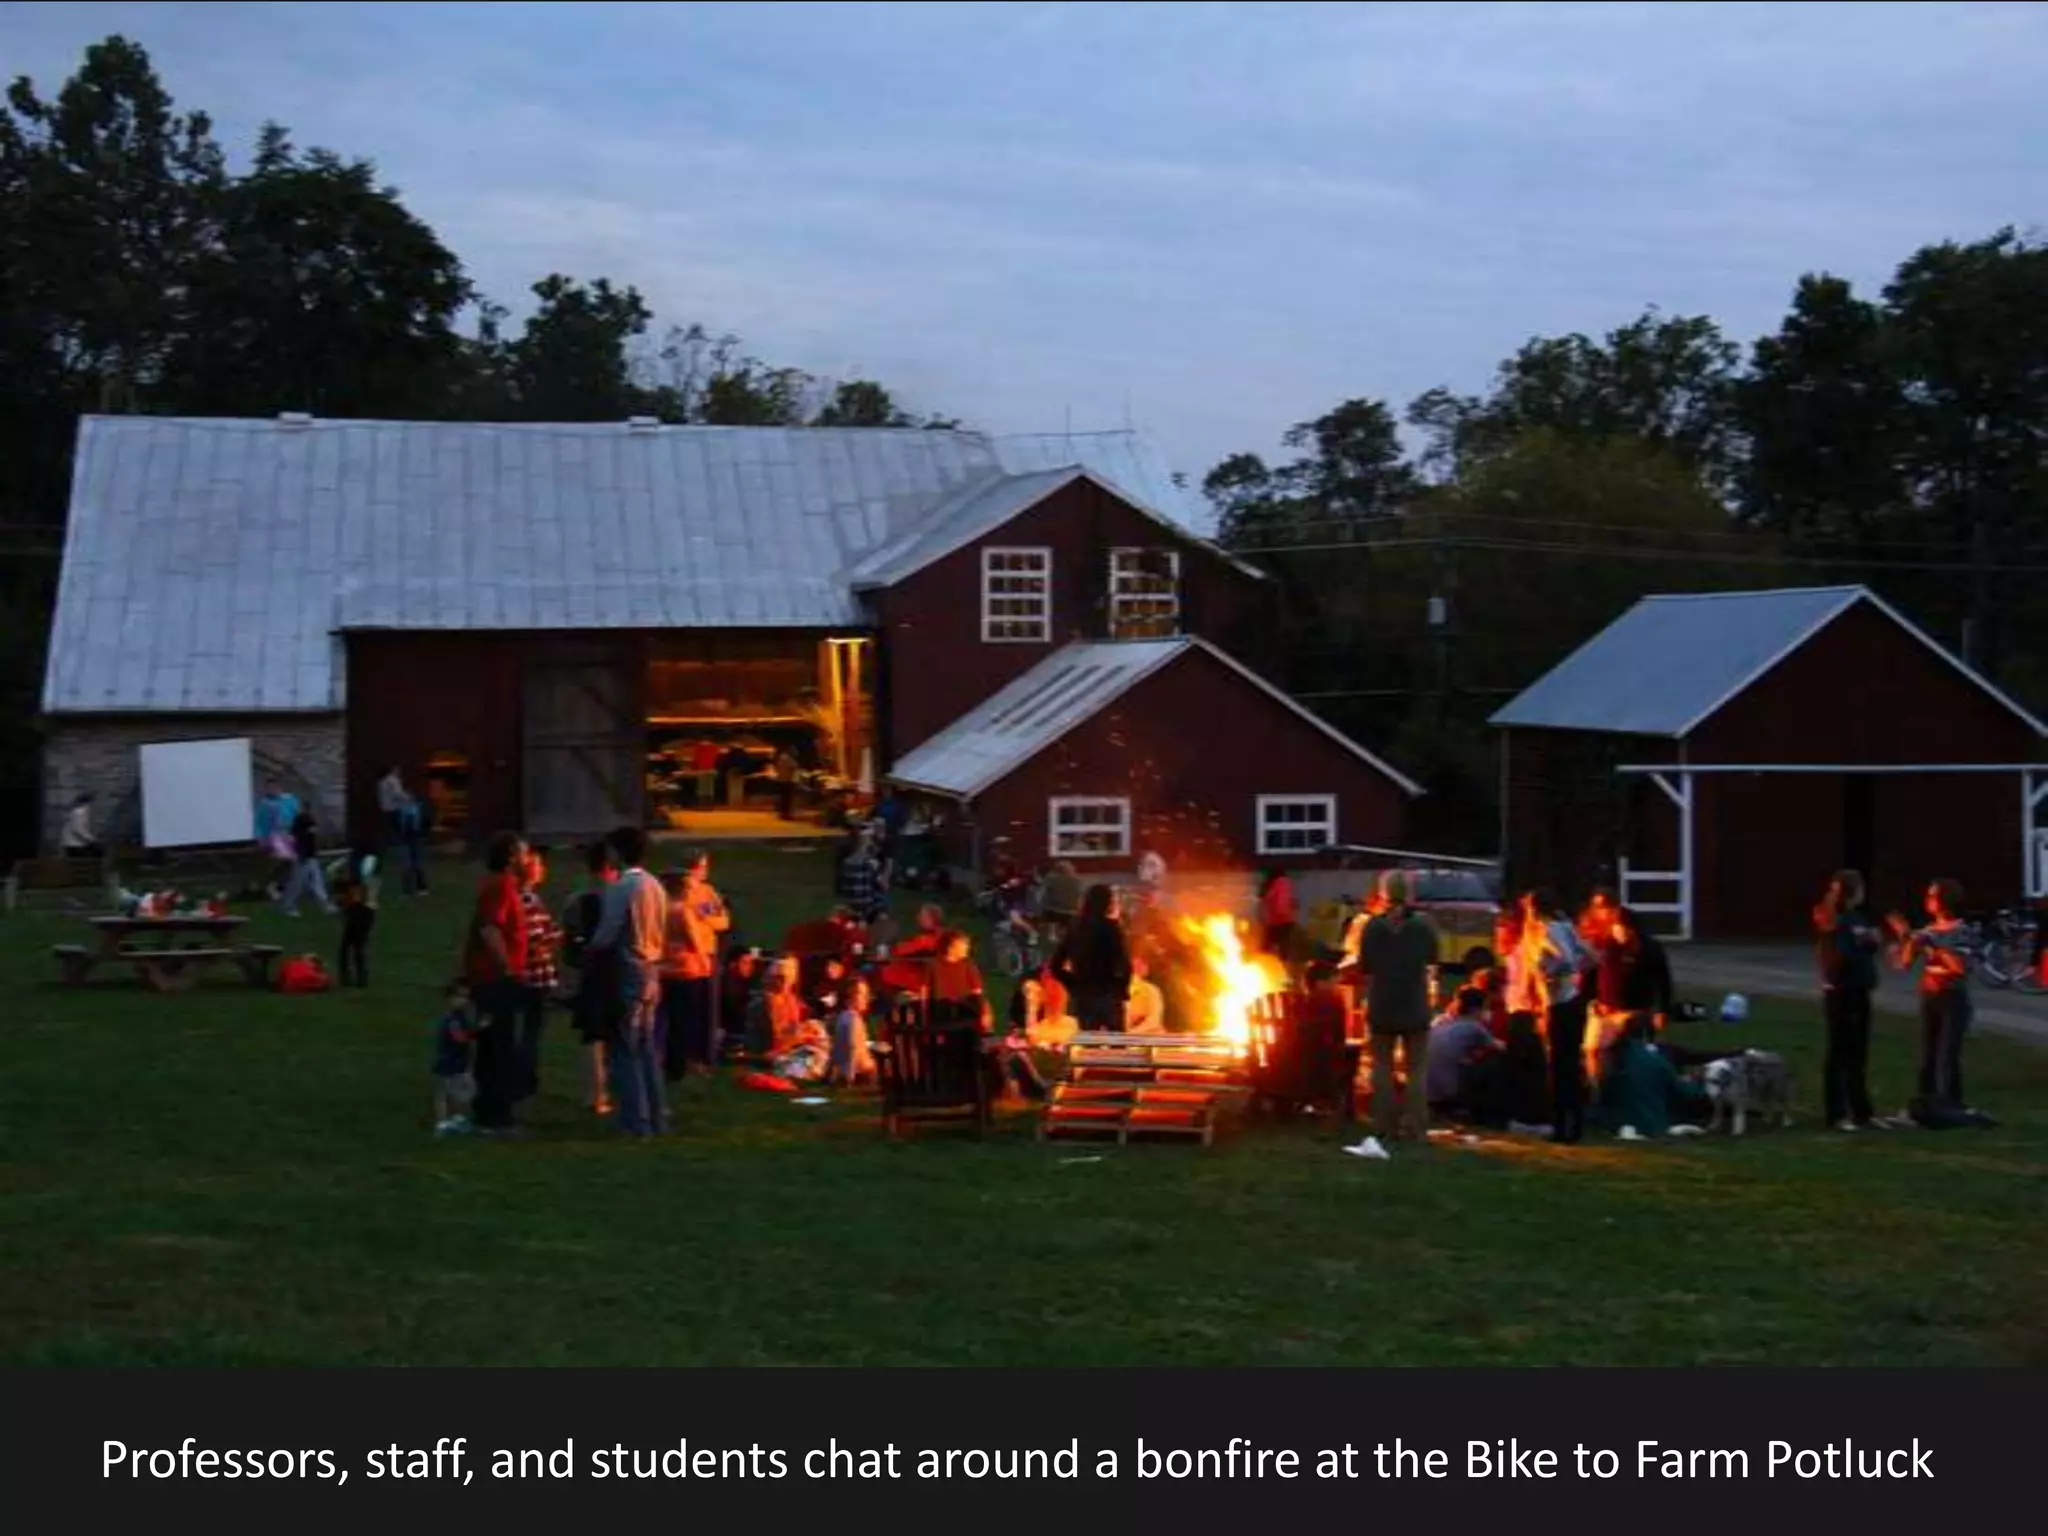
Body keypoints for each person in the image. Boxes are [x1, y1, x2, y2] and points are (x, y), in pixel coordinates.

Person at [1887, 877, 1994, 1128]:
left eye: (1932, 896)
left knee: (1948, 1055)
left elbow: (1960, 967)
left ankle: (1950, 1106)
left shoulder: (1962, 931)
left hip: (1952, 997)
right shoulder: (1928, 931)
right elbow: (1903, 964)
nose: (1928, 900)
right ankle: (1925, 1106)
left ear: (1946, 900)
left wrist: (1934, 945)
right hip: (1930, 995)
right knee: (1927, 1054)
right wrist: (1906, 938)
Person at [588, 826, 670, 1137]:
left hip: (629, 967)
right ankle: (656, 1113)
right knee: (647, 1045)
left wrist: (588, 949)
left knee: (625, 1045)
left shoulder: (622, 887)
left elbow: (607, 932)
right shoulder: (655, 885)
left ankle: (635, 1120)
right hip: (653, 967)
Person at [463, 832, 532, 1136]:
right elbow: (490, 929)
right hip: (495, 979)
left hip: (490, 978)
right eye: (524, 854)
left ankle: (486, 1112)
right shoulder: (502, 887)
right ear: (511, 857)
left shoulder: (500, 885)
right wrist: (508, 968)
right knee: (499, 1047)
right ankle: (497, 1117)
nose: (528, 859)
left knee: (492, 1045)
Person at [1363, 887, 1439, 1142]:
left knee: (1382, 1066)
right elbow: (1433, 959)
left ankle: (1384, 1125)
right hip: (1414, 1004)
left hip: (1382, 1004)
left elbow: (1365, 965)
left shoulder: (1373, 928)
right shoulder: (1423, 927)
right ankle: (1416, 1127)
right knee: (1416, 1069)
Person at [1814, 869, 1887, 1132]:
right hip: (1842, 991)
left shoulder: (1857, 917)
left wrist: (1871, 940)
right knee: (1840, 1052)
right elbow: (1841, 953)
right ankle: (1836, 1113)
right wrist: (1865, 942)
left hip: (1859, 990)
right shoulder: (1834, 919)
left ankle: (1862, 1112)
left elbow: (1869, 944)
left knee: (1858, 1053)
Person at [1520, 889, 1591, 1144]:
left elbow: (1568, 959)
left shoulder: (1548, 931)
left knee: (1560, 1066)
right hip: (1572, 1001)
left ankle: (1562, 1125)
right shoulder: (1566, 926)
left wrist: (1552, 974)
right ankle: (1575, 1122)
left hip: (1560, 1004)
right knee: (1570, 1064)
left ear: (1534, 909)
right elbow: (1588, 954)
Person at [561, 840, 621, 1116]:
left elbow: (568, 944)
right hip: (617, 973)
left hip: (590, 974)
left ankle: (594, 1093)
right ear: (609, 868)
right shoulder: (619, 898)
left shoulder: (576, 901)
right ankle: (614, 1089)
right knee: (617, 1035)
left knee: (592, 1035)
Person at [660, 850, 731, 1081]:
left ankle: (700, 1056)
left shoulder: (705, 893)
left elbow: (722, 921)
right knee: (681, 1013)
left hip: (700, 956)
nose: (704, 872)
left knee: (704, 1010)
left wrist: (704, 918)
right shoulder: (673, 899)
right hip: (688, 961)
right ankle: (679, 1059)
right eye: (701, 867)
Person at [1051, 883, 1133, 1032]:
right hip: (1109, 994)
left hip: (1084, 995)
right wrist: (1122, 988)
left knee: (1089, 1040)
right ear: (1107, 903)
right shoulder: (1111, 928)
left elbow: (1055, 965)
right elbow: (1124, 963)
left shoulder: (1075, 929)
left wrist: (1072, 984)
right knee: (1116, 1042)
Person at [516, 847, 563, 1103]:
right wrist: (557, 937)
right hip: (533, 974)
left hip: (531, 974)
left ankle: (523, 1077)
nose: (543, 869)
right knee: (530, 1031)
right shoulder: (526, 899)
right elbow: (535, 938)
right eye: (538, 864)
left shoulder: (530, 897)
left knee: (529, 1029)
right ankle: (525, 1080)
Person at [1424, 987, 1502, 1122]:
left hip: (1427, 1090)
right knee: (1496, 1062)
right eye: (1485, 1008)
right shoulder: (1474, 1027)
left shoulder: (1441, 1022)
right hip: (1448, 1093)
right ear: (1476, 1009)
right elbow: (1501, 1048)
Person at [431, 980, 479, 1135]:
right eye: (459, 997)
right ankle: (442, 1122)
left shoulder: (461, 1017)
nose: (463, 1001)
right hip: (448, 1061)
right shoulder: (452, 1019)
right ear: (450, 998)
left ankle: (456, 1118)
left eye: (466, 997)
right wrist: (477, 1030)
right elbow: (460, 1038)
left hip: (458, 1061)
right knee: (444, 1093)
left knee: (459, 1093)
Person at [277, 801, 335, 917]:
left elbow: (302, 838)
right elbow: (301, 839)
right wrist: (301, 854)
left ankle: (325, 904)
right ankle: (289, 906)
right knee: (298, 883)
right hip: (304, 857)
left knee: (316, 882)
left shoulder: (304, 820)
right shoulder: (303, 820)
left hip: (309, 856)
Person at [379, 765, 429, 896]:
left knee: (406, 856)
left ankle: (409, 888)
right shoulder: (392, 781)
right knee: (413, 857)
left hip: (402, 826)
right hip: (408, 829)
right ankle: (419, 887)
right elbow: (398, 795)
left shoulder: (383, 783)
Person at [255, 781, 302, 893]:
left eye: (274, 788)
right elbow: (260, 822)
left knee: (293, 861)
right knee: (287, 859)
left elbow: (298, 815)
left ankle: (279, 885)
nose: (272, 790)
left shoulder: (290, 799)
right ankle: (277, 884)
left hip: (291, 834)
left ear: (279, 788)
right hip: (276, 836)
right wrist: (261, 838)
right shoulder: (265, 804)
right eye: (269, 788)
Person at [830, 976, 877, 1086]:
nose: (867, 998)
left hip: (848, 1069)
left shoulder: (843, 1017)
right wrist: (850, 1075)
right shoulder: (853, 1019)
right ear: (849, 997)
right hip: (859, 1071)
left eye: (867, 994)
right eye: (862, 994)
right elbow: (852, 1047)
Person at [335, 870, 376, 987]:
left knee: (350, 948)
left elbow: (350, 902)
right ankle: (359, 978)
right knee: (356, 947)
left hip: (358, 914)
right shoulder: (359, 884)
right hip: (364, 914)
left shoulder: (350, 886)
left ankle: (349, 978)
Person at [839, 830, 887, 926]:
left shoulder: (846, 862)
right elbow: (883, 885)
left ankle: (861, 921)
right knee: (882, 895)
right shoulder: (870, 862)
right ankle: (880, 920)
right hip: (867, 902)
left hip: (850, 902)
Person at [1036, 860, 1084, 947]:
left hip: (1053, 909)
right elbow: (1079, 896)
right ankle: (1064, 934)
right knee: (1066, 920)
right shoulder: (1077, 880)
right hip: (1071, 910)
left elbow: (1041, 892)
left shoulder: (1050, 878)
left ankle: (1052, 934)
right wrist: (1079, 909)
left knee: (1050, 910)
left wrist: (1040, 902)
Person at [1258, 868, 1299, 963]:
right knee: (1283, 948)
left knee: (1267, 947)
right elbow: (1283, 901)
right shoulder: (1283, 883)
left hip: (1274, 921)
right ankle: (1281, 965)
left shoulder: (1272, 885)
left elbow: (1267, 901)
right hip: (1284, 921)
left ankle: (1265, 964)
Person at [1125, 954, 1168, 1034]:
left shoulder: (1151, 990)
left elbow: (1154, 1020)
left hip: (1149, 1037)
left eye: (1140, 965)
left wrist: (1131, 1033)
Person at [60, 793, 101, 859]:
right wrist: (92, 839)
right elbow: (78, 829)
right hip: (75, 844)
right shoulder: (80, 812)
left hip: (72, 844)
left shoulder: (76, 811)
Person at [774, 746, 801, 822]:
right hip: (787, 780)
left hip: (782, 779)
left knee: (783, 798)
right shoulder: (788, 759)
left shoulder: (781, 758)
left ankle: (783, 813)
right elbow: (795, 766)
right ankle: (786, 814)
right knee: (787, 799)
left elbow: (777, 768)